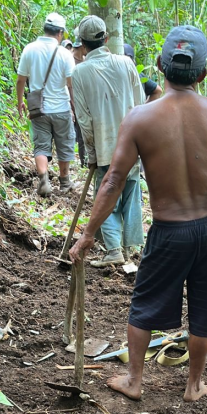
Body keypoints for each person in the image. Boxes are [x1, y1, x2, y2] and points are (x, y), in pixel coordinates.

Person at [70, 25, 207, 402]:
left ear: (160, 66)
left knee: (144, 304)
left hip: (170, 229)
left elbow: (113, 181)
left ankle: (134, 380)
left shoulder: (140, 118)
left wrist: (88, 234)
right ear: (203, 74)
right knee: (206, 305)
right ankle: (194, 385)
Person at [72, 15, 145, 267]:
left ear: (82, 43)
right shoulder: (126, 63)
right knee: (131, 194)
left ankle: (115, 250)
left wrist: (91, 151)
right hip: (133, 145)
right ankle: (130, 248)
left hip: (104, 146)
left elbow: (83, 118)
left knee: (108, 198)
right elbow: (140, 106)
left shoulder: (80, 72)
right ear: (106, 39)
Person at [16, 12, 76, 195]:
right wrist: (75, 106)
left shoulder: (29, 49)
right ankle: (64, 182)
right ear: (60, 33)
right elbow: (71, 85)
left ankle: (44, 180)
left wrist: (20, 102)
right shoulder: (65, 54)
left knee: (41, 145)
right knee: (64, 144)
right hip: (61, 108)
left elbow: (20, 80)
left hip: (38, 109)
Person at [71, 37, 87, 167]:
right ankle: (84, 163)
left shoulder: (86, 60)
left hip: (87, 101)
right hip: (75, 100)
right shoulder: (70, 61)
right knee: (81, 134)